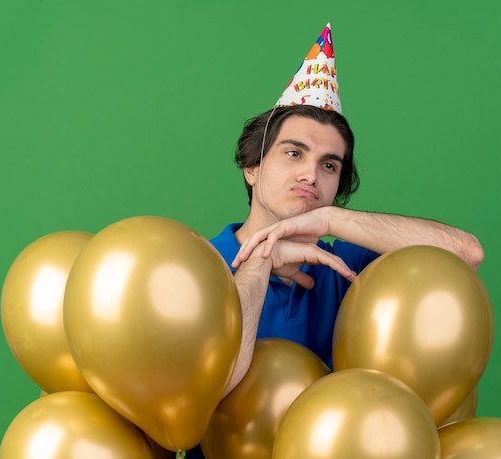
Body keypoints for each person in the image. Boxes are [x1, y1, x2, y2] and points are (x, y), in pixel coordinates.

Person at [184, 24, 483, 459]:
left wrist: (330, 218)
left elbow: (467, 253)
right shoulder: (197, 266)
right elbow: (205, 398)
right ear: (251, 167)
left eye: (329, 165)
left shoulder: (349, 265)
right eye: (293, 153)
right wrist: (262, 261)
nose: (310, 174)